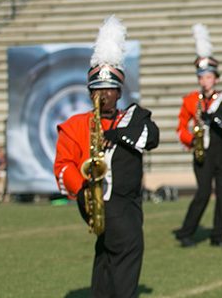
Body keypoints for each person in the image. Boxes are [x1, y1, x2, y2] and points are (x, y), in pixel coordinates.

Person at [54, 16, 159, 298]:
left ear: (119, 91)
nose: (104, 95)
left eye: (109, 89)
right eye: (98, 90)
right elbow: (63, 165)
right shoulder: (76, 124)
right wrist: (83, 189)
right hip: (101, 202)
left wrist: (113, 136)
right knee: (127, 253)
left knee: (105, 258)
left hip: (129, 204)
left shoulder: (132, 118)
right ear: (90, 92)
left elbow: (152, 138)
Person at [174, 25, 222, 248]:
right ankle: (186, 231)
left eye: (209, 77)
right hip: (202, 150)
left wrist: (215, 116)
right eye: (202, 77)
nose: (205, 81)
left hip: (221, 150)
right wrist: (191, 140)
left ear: (216, 79)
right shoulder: (190, 100)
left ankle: (218, 235)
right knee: (202, 193)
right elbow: (180, 127)